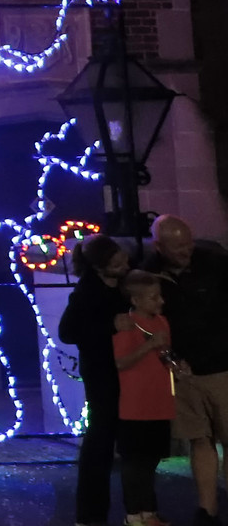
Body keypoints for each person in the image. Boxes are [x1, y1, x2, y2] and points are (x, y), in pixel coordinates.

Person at [144, 215, 228, 524]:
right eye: (178, 246)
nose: (186, 250)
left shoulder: (216, 264)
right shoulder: (148, 272)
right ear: (159, 246)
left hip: (221, 366)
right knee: (199, 439)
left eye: (188, 243)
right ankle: (207, 510)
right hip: (183, 371)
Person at [60, 233, 130, 526]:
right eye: (117, 264)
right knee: (100, 440)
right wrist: (109, 326)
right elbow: (67, 332)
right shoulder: (87, 293)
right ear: (100, 266)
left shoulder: (121, 286)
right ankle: (91, 514)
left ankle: (133, 509)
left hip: (126, 368)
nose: (124, 266)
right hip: (102, 371)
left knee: (117, 439)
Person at [112, 270, 177, 526]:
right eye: (153, 297)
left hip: (159, 401)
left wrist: (175, 364)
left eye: (159, 296)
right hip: (134, 405)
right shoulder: (126, 325)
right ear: (136, 300)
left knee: (151, 460)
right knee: (134, 462)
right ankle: (133, 513)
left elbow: (164, 355)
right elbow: (120, 362)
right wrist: (149, 345)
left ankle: (149, 511)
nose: (160, 301)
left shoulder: (162, 322)